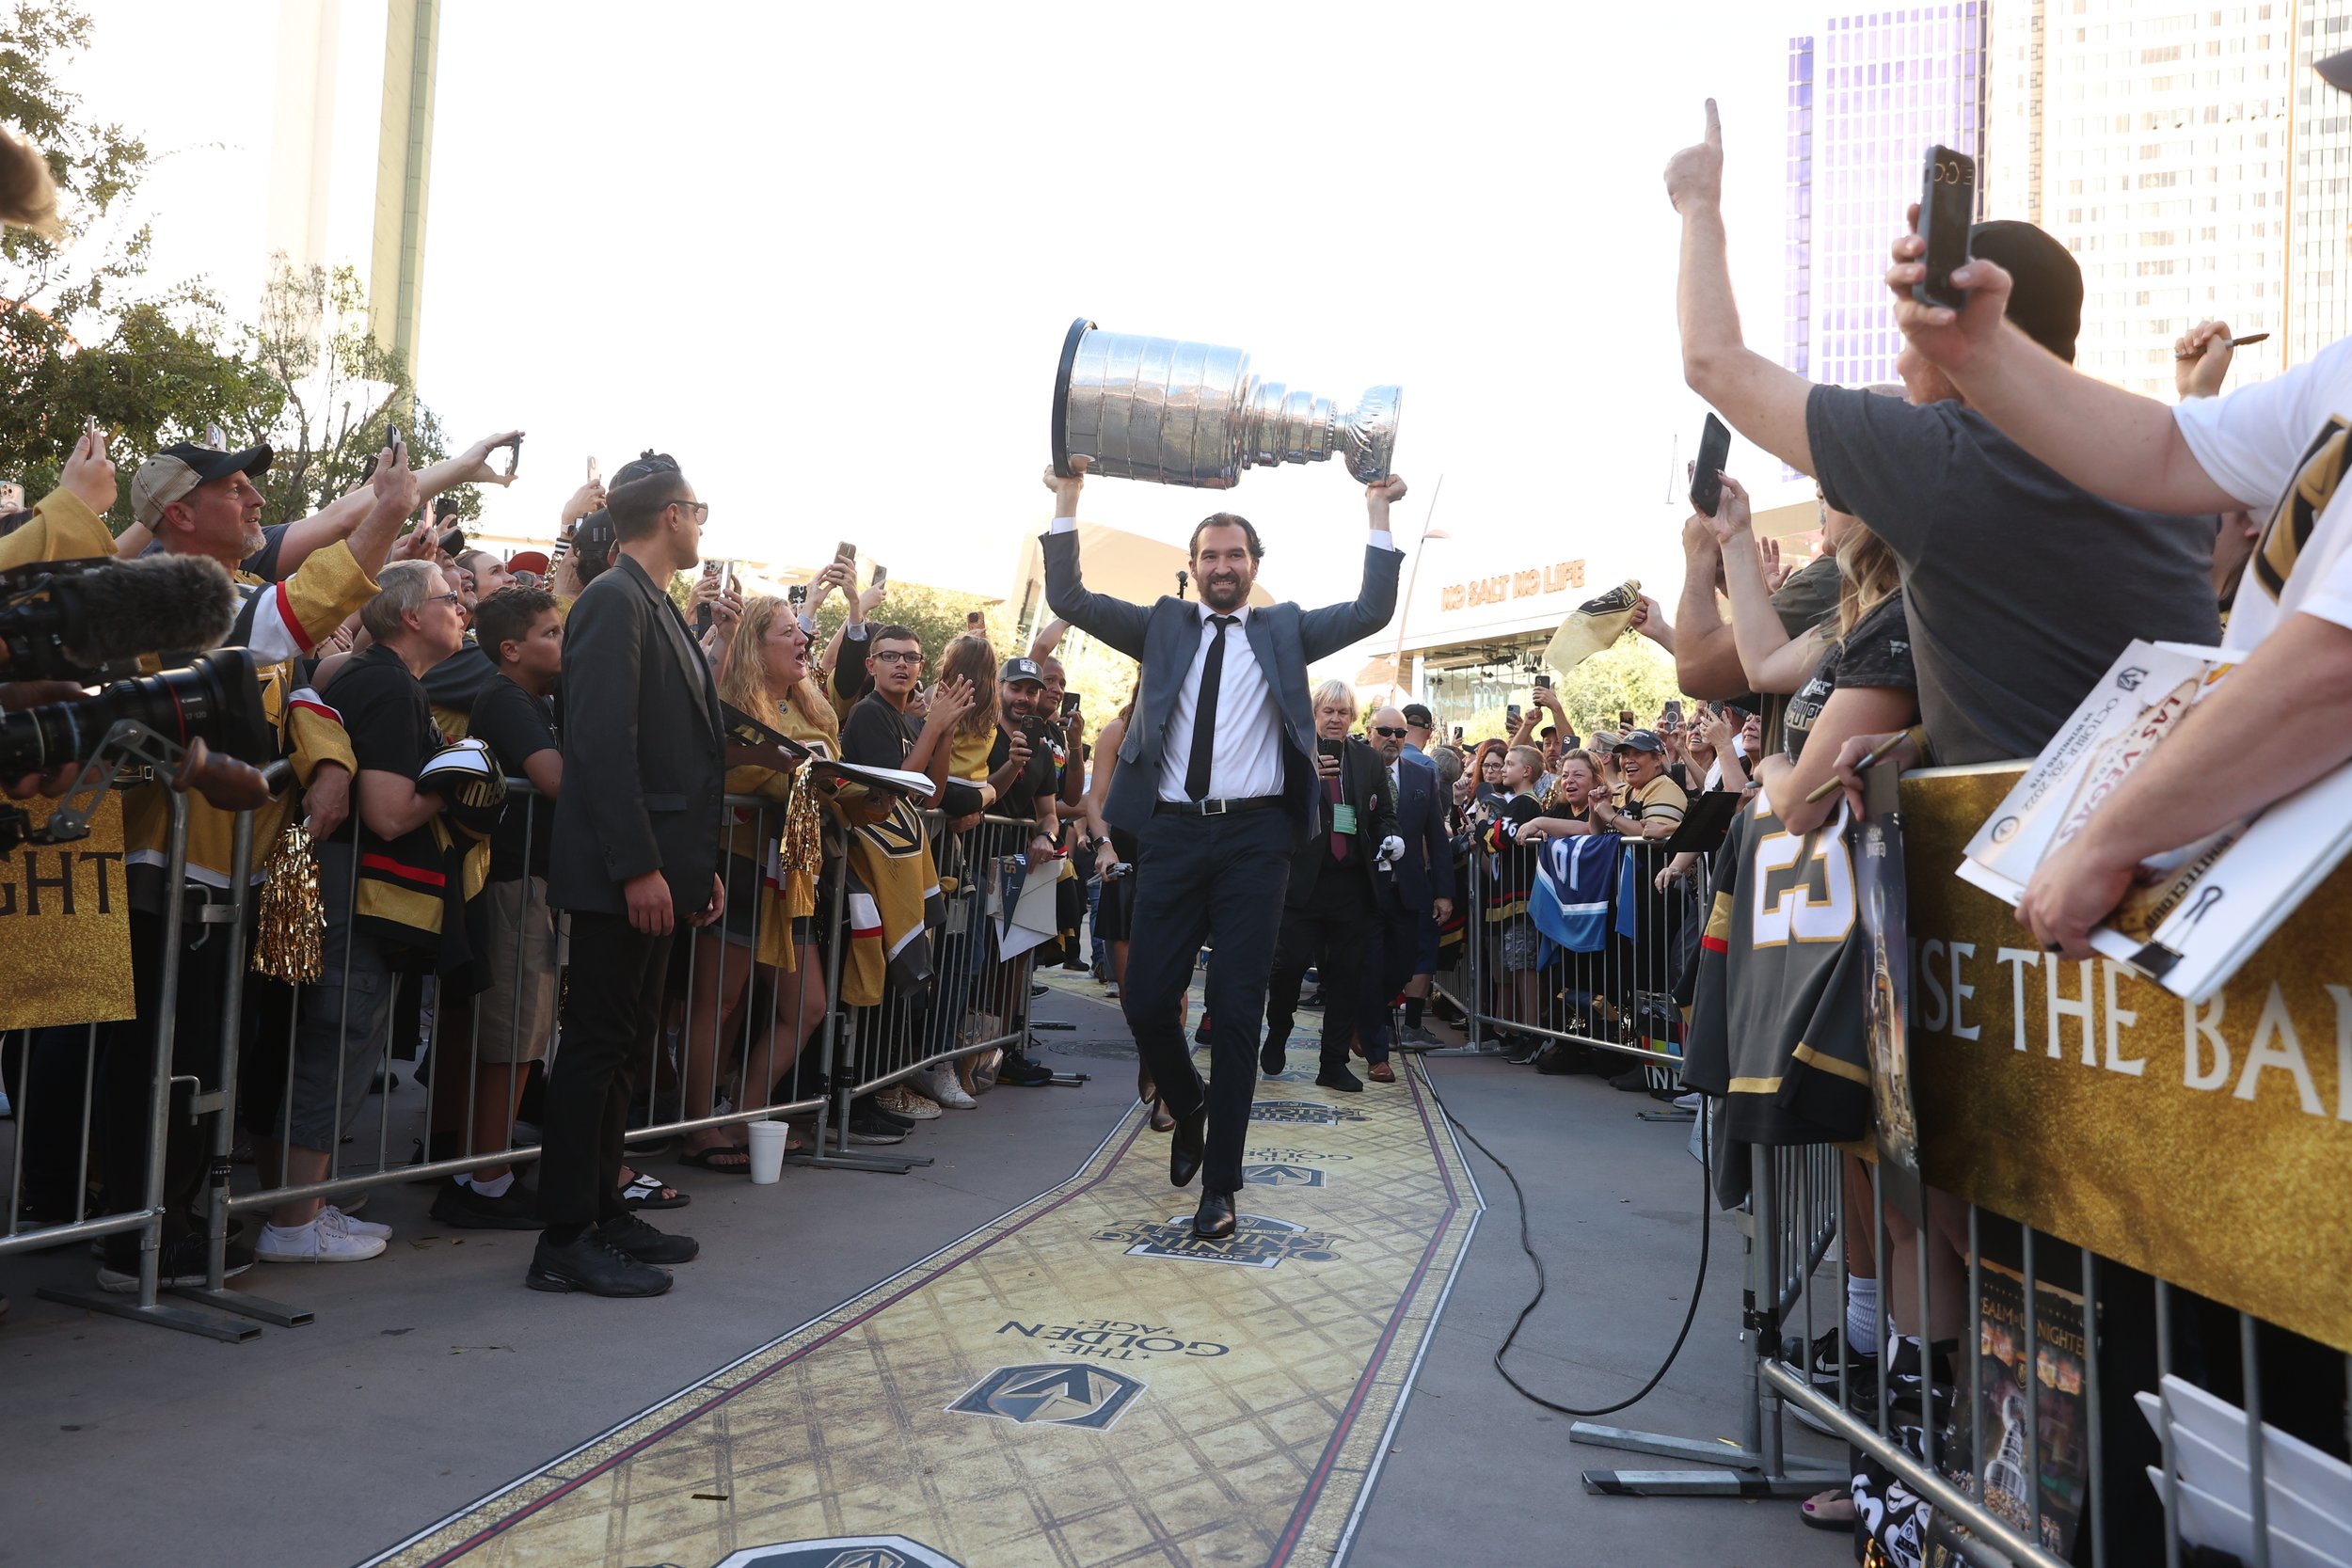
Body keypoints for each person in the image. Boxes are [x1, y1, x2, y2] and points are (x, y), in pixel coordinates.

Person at [1666, 99, 2219, 768]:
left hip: (2028, 855)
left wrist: (1699, 203)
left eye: (1914, 333)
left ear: (1962, 334)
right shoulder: (2170, 446)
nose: (1901, 363)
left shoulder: (1946, 457)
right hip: (2187, 837)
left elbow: (1713, 362)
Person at [1041, 458, 1406, 1240]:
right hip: (1172, 831)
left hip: (1256, 840)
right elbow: (1069, 596)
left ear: (1255, 567)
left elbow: (1374, 607)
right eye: (1210, 555)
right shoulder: (1162, 624)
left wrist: (1377, 513)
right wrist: (1069, 499)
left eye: (1235, 555)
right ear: (1195, 566)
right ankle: (1193, 1105)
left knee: (1236, 1012)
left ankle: (1222, 1186)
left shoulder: (1287, 629)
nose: (1222, 566)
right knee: (1144, 1002)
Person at [533, 453, 725, 1298]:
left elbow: (676, 752)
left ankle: (604, 1209)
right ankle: (565, 1235)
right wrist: (642, 867)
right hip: (622, 875)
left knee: (623, 1051)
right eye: (699, 509)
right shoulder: (614, 599)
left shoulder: (647, 600)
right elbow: (604, 746)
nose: (702, 522)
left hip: (656, 873)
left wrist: (692, 870)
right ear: (673, 516)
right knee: (597, 1050)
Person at [255, 558, 476, 1264]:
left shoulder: (364, 674)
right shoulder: (385, 682)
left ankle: (300, 1206)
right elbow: (386, 813)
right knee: (339, 1038)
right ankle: (293, 1221)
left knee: (323, 1040)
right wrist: (463, 775)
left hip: (335, 887)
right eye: (450, 599)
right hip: (353, 891)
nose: (462, 609)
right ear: (411, 615)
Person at [430, 585, 564, 1228]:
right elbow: (554, 778)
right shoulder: (507, 700)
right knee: (513, 1032)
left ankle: (486, 1165)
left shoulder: (527, 697)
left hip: (523, 880)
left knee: (521, 1032)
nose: (562, 644)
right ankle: (484, 1178)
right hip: (512, 881)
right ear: (511, 650)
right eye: (551, 633)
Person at [1262, 682, 1400, 1089]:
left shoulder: (1368, 759)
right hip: (1301, 884)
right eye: (1328, 711)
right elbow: (1274, 808)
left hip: (1351, 885)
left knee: (1345, 977)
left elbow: (1383, 813)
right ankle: (1279, 1030)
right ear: (1315, 715)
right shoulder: (1293, 752)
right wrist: (1307, 779)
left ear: (1352, 718)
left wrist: (1391, 836)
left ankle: (1333, 1063)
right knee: (1286, 969)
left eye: (1343, 712)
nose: (1336, 719)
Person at [1364, 705, 1453, 1057]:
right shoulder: (1355, 771)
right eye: (1385, 731)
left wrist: (1444, 892)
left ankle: (1376, 1016)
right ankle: (1375, 1028)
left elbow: (1436, 835)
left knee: (1403, 962)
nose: (1393, 739)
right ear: (1370, 732)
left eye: (1400, 734)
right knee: (1370, 959)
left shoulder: (1421, 776)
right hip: (1365, 886)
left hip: (1409, 887)